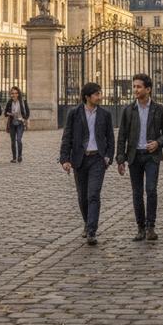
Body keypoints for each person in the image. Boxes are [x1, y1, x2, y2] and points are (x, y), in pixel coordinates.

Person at [116, 73, 163, 242]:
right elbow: (122, 135)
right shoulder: (128, 110)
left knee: (151, 190)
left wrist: (158, 142)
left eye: (138, 87)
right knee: (137, 193)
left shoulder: (159, 108)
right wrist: (120, 159)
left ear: (148, 89)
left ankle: (150, 227)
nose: (135, 90)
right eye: (134, 86)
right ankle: (140, 228)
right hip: (134, 156)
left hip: (151, 156)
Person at [59, 82, 114, 246]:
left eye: (100, 93)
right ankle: (87, 222)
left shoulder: (105, 114)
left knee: (93, 195)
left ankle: (91, 231)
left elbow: (110, 138)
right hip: (80, 159)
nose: (100, 97)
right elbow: (67, 136)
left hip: (98, 159)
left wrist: (108, 157)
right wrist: (65, 159)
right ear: (87, 97)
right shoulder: (74, 113)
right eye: (97, 94)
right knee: (82, 196)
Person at [4, 86, 30, 162]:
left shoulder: (23, 101)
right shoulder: (9, 102)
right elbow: (5, 113)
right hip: (12, 123)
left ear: (18, 94)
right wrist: (9, 113)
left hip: (20, 123)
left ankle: (20, 156)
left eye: (16, 93)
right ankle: (14, 158)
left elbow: (27, 113)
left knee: (18, 139)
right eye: (12, 93)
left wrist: (24, 118)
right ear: (10, 94)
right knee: (12, 141)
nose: (14, 95)